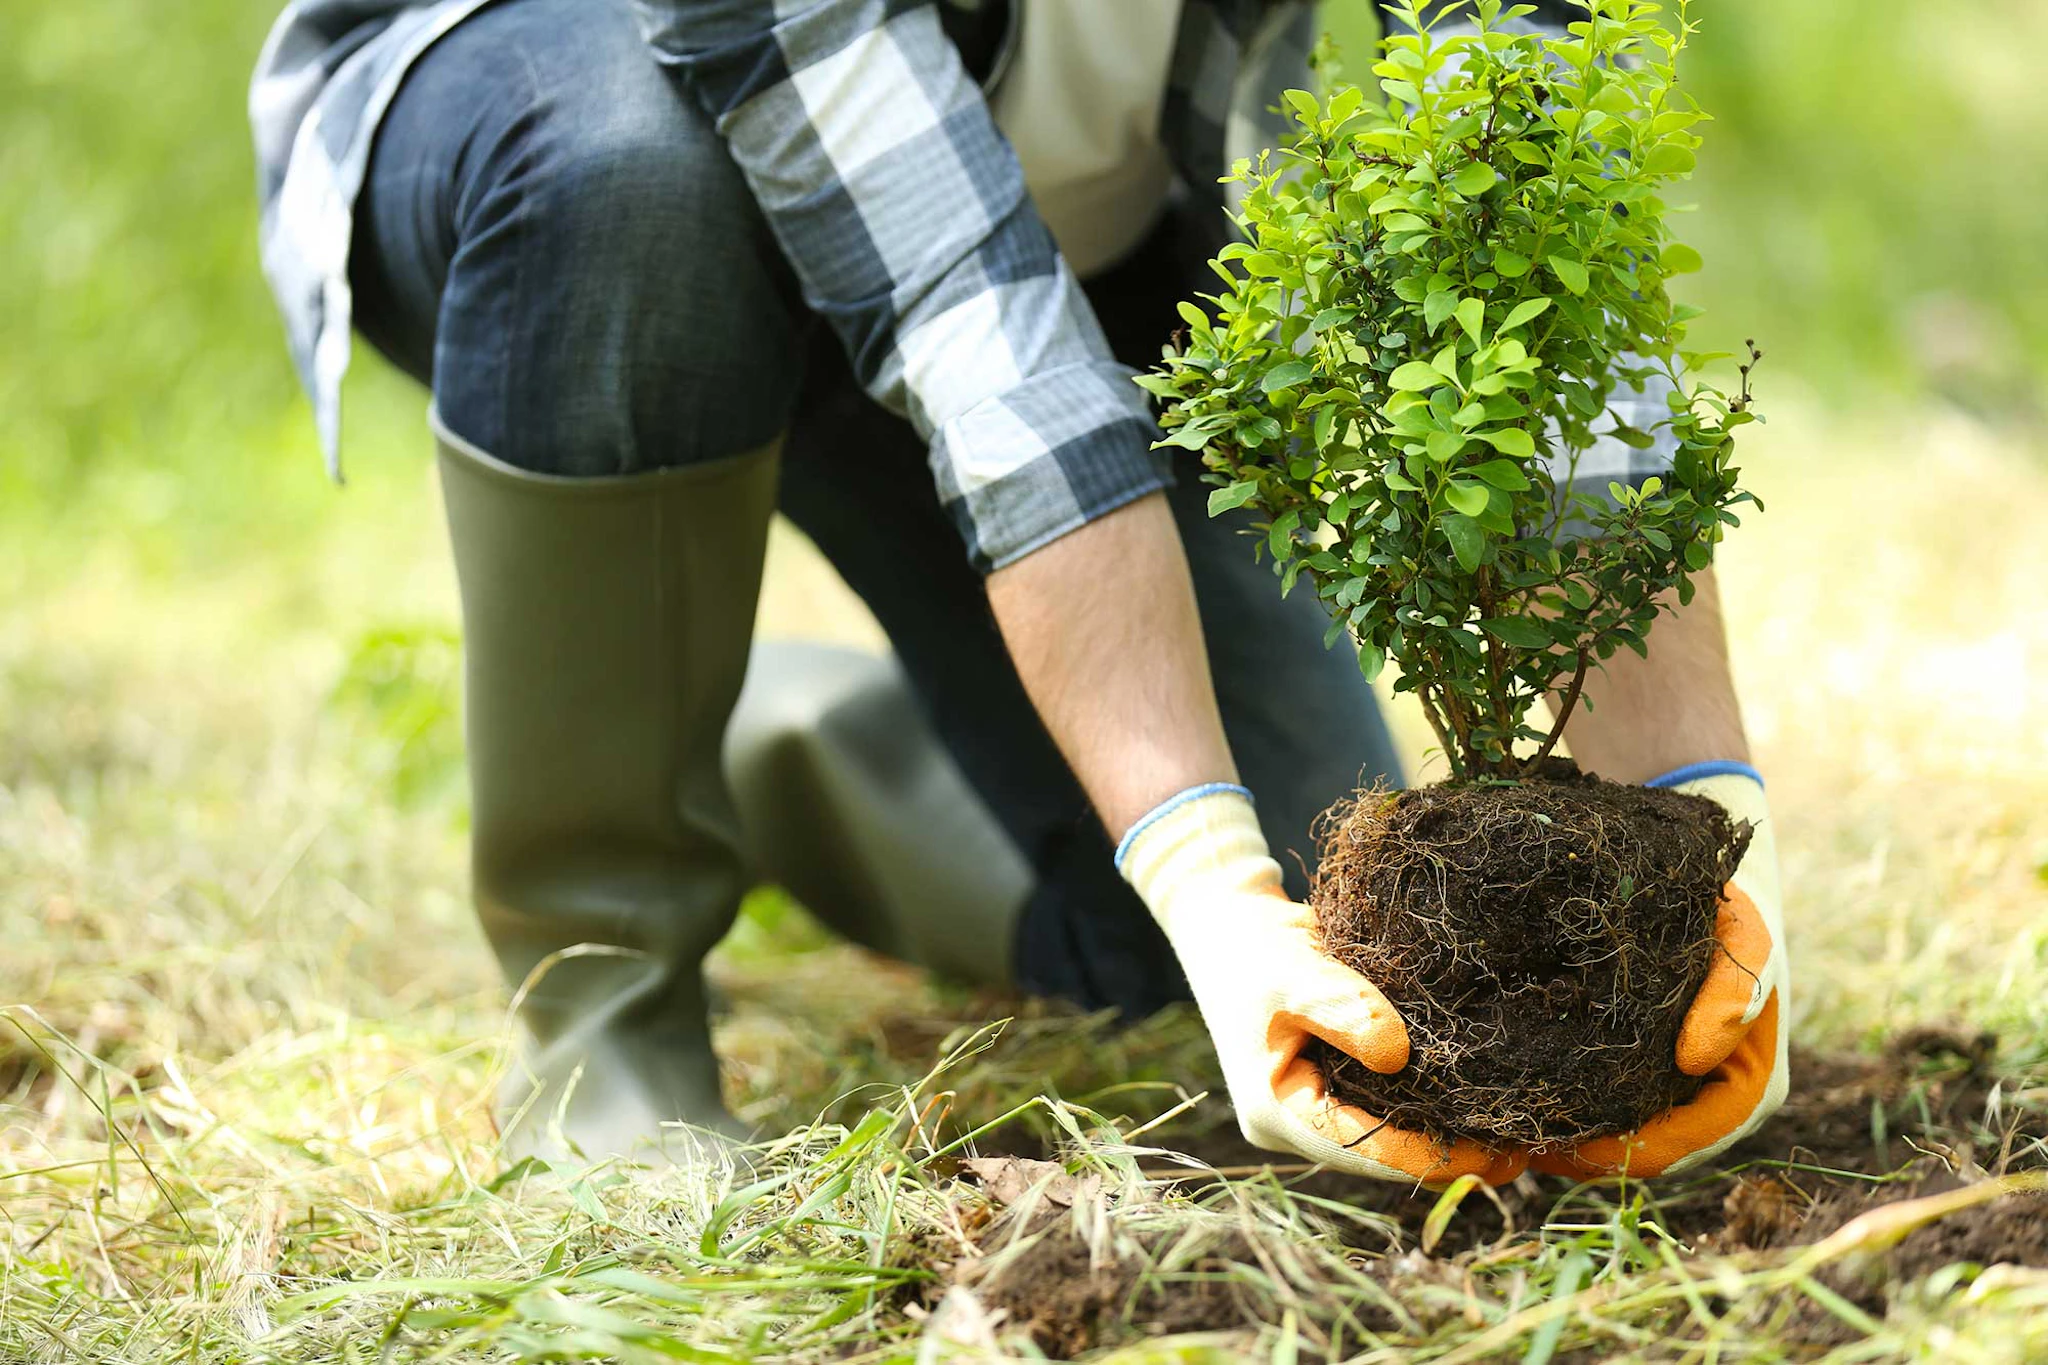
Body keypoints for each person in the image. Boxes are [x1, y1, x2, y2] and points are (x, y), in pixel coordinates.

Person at [250, 0, 1787, 1181]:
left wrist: (1710, 835)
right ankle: (604, 1001)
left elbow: (1524, 205)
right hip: (573, 135)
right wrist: (1194, 858)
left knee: (1267, 937)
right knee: (631, 178)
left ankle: (736, 731)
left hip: (1056, 228)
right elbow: (965, 315)